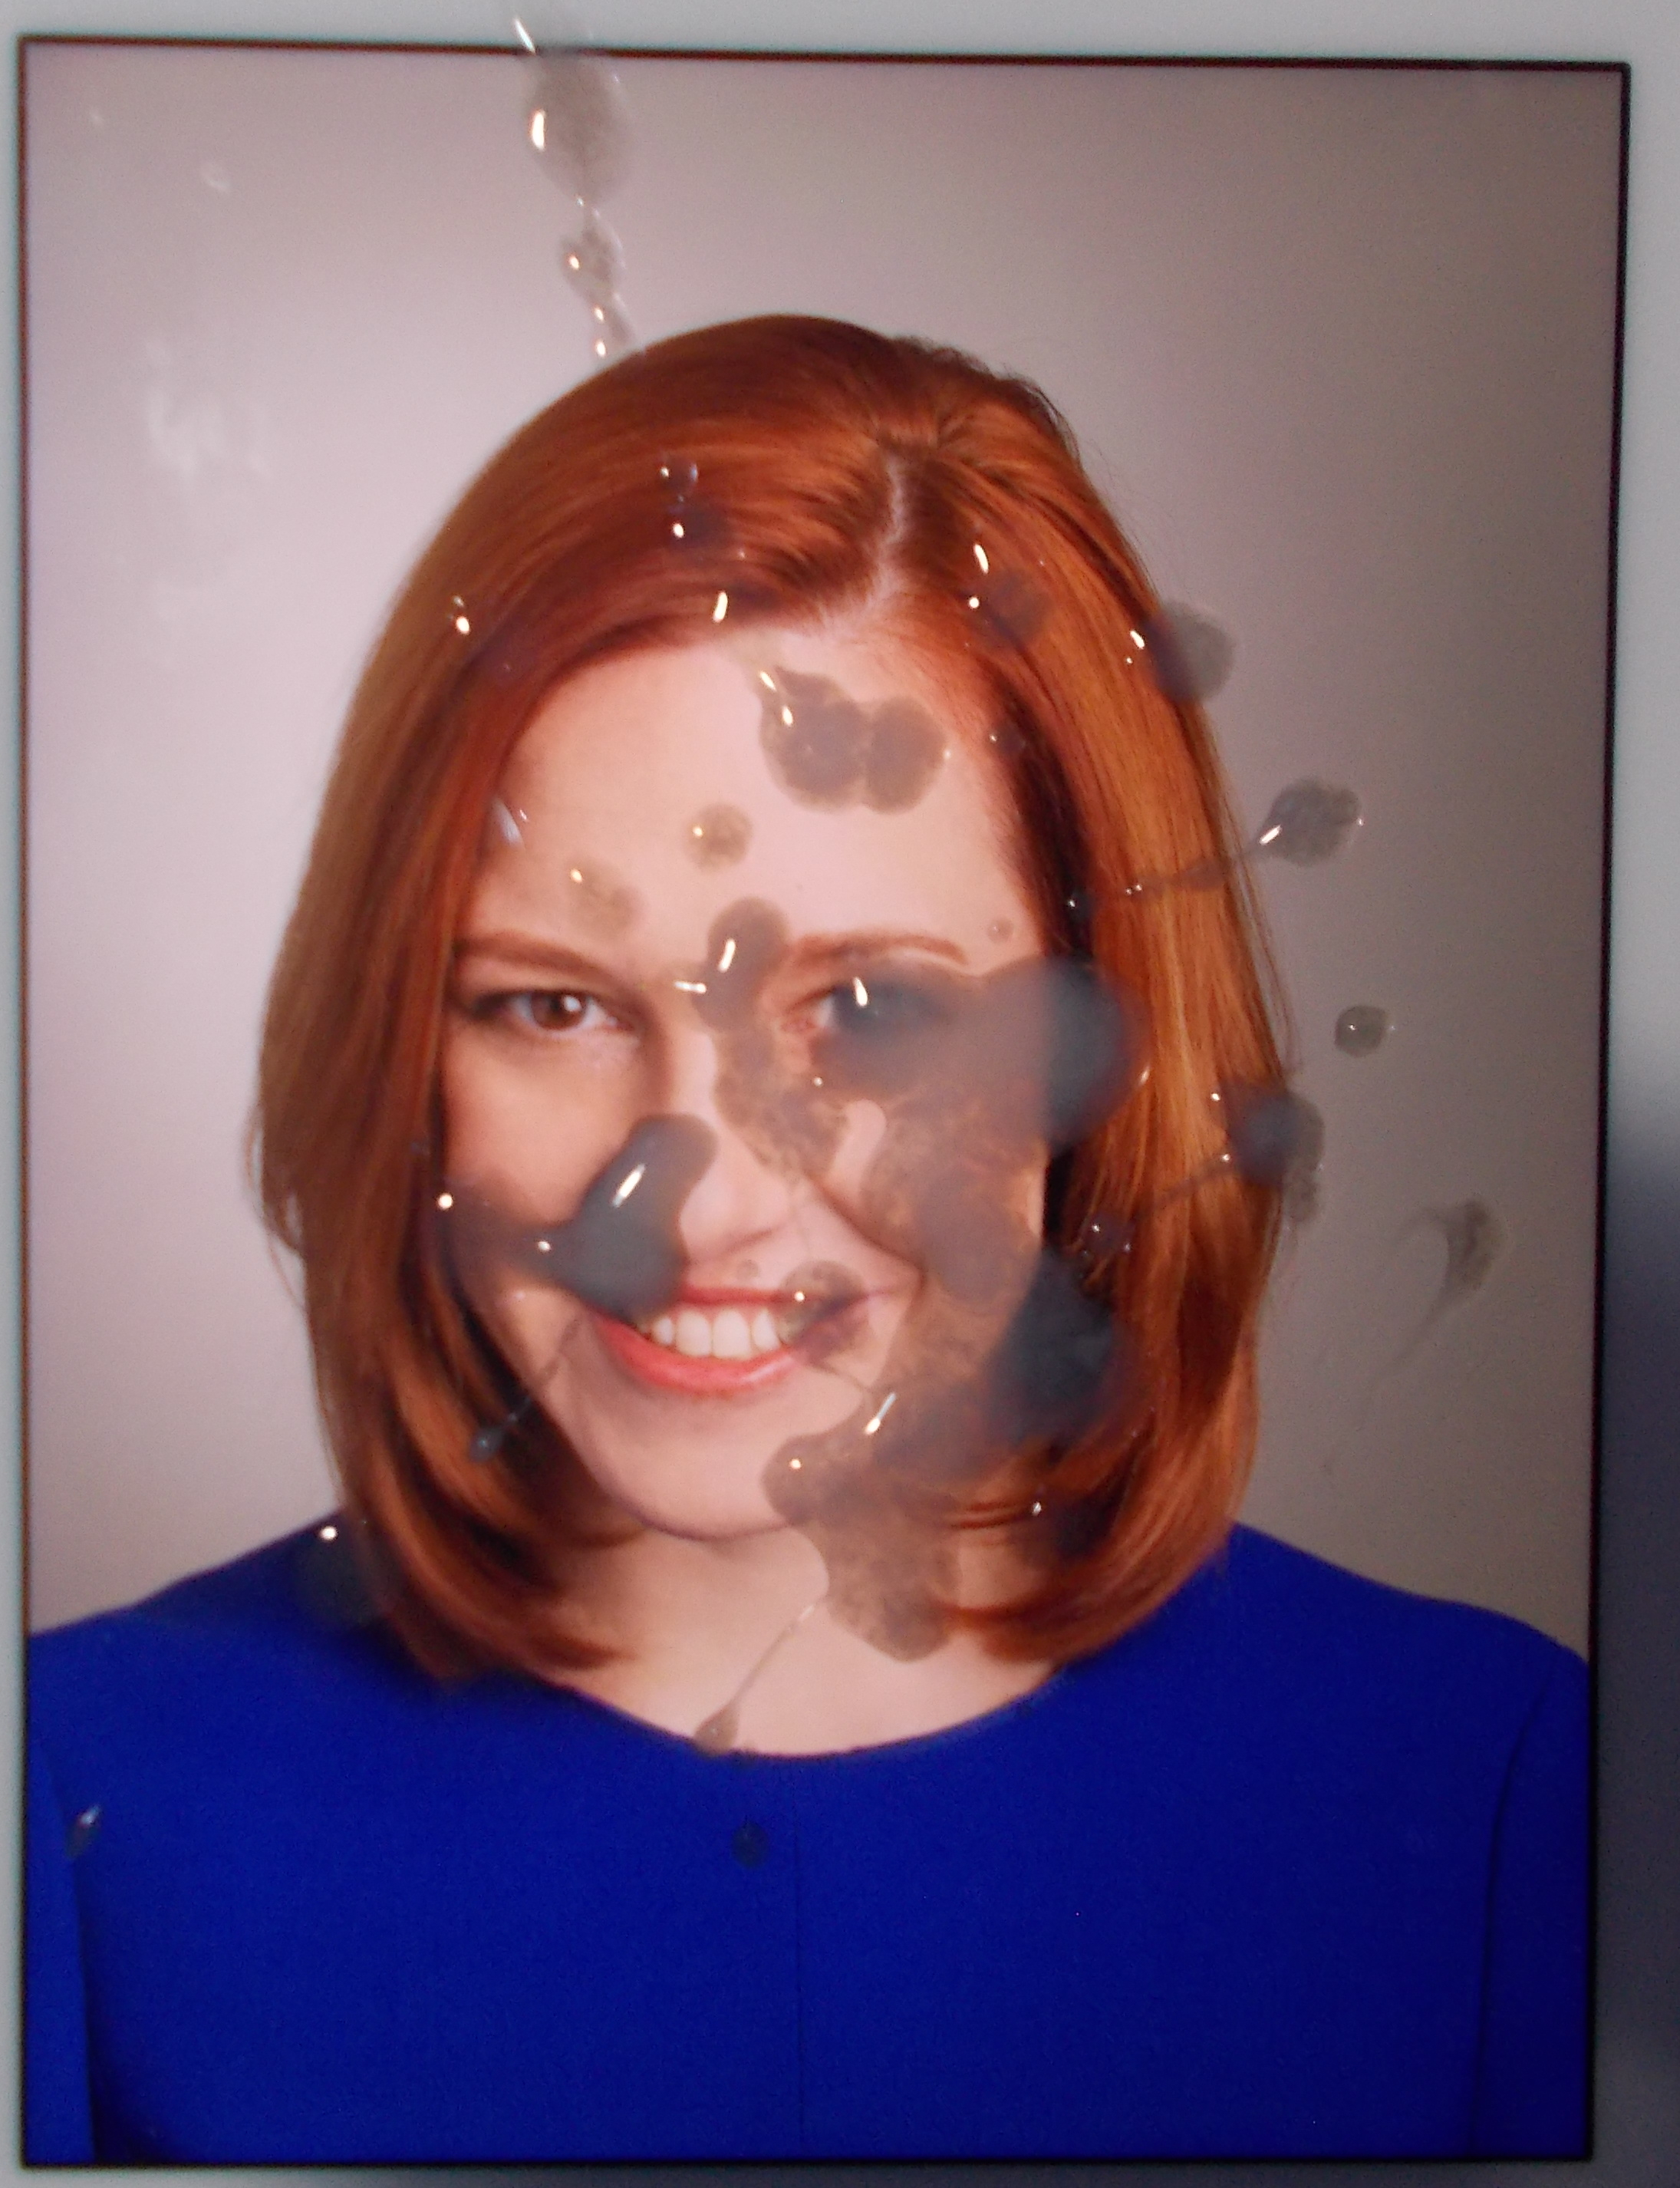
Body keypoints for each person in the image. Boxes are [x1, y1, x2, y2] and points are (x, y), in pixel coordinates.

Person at [25, 317, 1588, 2164]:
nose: (688, 1202)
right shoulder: (67, 1806)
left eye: (865, 1011)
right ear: (402, 1051)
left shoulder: (1504, 1802)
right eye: (551, 1005)